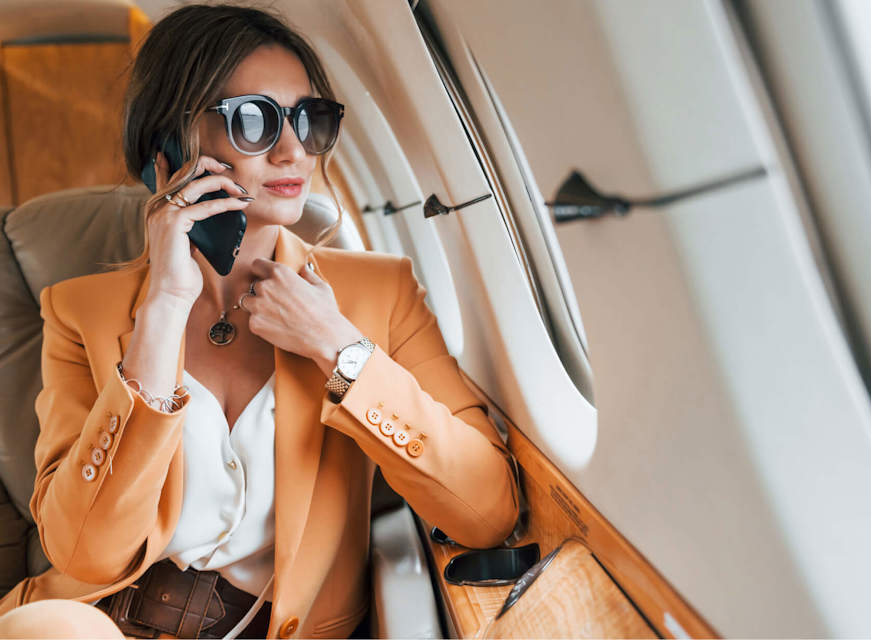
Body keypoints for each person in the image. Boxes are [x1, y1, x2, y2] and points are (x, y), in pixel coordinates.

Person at [0, 4, 520, 639]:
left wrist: (340, 350)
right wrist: (162, 310)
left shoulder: (378, 293)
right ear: (170, 142)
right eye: (253, 120)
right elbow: (84, 553)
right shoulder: (80, 310)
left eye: (310, 119)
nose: (294, 148)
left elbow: (489, 511)